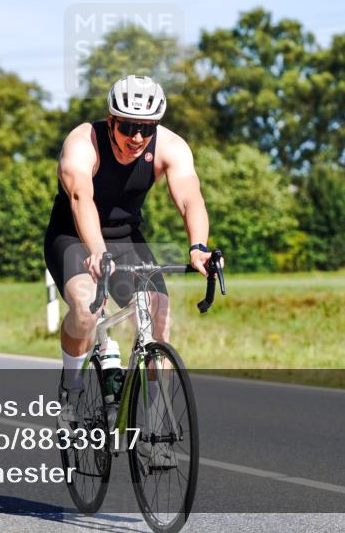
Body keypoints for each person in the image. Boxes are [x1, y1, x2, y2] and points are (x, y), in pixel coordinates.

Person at [44, 75, 215, 450]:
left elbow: (189, 196)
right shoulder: (82, 141)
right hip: (73, 235)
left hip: (126, 238)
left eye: (146, 128)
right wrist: (95, 249)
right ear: (110, 120)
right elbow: (79, 196)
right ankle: (71, 386)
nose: (137, 137)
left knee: (158, 317)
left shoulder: (171, 146)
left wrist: (198, 246)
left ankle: (155, 430)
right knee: (87, 311)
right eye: (128, 127)